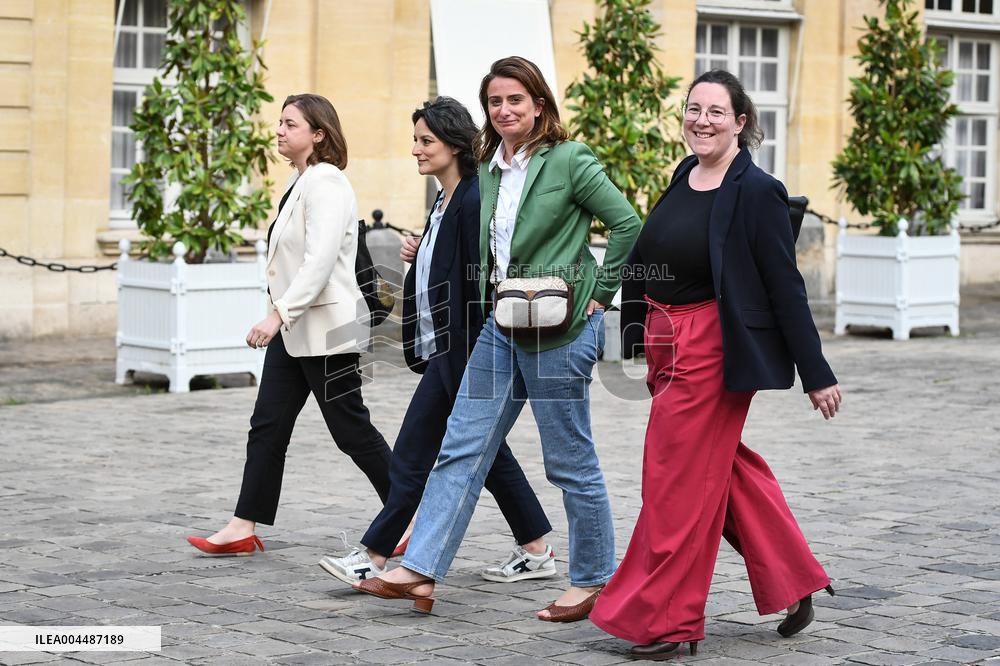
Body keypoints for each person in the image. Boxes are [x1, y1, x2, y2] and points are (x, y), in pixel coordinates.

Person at [352, 56, 641, 621]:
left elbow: (628, 224)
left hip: (561, 328)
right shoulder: (487, 171)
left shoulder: (569, 160)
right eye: (494, 102)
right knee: (460, 446)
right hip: (501, 326)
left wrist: (599, 298)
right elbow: (472, 239)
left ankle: (593, 578)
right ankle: (420, 567)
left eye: (515, 100)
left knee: (569, 461)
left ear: (538, 104)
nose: (505, 110)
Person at [588, 70, 841, 659]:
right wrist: (632, 336)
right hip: (664, 338)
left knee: (673, 479)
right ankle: (795, 578)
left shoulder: (758, 192)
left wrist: (817, 372)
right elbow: (649, 253)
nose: (701, 121)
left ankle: (671, 621)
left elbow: (785, 286)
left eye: (716, 112)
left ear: (741, 122)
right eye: (693, 110)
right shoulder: (685, 173)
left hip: (712, 346)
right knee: (718, 469)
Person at [317, 96, 555, 585]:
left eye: (426, 141)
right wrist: (419, 249)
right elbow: (442, 268)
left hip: (462, 348)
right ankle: (535, 549)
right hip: (443, 348)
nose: (416, 150)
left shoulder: (470, 199)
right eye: (415, 141)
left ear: (452, 143)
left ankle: (375, 554)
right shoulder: (445, 201)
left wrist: (467, 355)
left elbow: (477, 281)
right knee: (488, 454)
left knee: (411, 454)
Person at [187, 94, 393, 555]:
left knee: (350, 430)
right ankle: (243, 525)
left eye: (290, 123)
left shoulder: (327, 182)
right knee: (268, 426)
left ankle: (411, 514)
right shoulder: (301, 182)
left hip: (326, 330)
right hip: (296, 331)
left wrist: (278, 313)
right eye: (279, 122)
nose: (279, 130)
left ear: (318, 134)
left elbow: (319, 262)